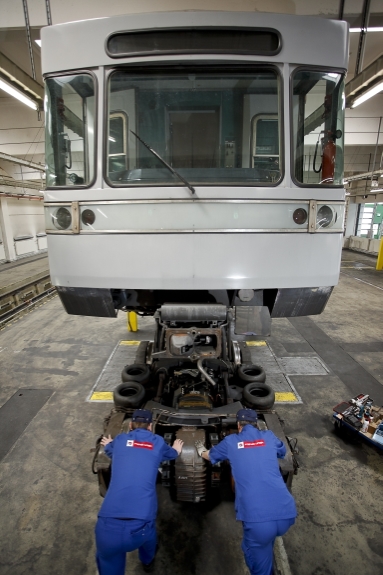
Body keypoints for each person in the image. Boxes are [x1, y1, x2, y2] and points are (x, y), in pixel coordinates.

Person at [195, 408, 296, 575]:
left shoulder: (231, 442)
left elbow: (209, 456)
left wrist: (200, 450)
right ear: (255, 424)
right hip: (286, 512)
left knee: (256, 560)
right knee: (266, 541)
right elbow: (282, 451)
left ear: (238, 425)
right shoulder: (268, 436)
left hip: (258, 520)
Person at [95, 408, 183, 575]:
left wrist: (107, 444)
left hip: (107, 527)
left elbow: (110, 450)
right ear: (150, 427)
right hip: (140, 526)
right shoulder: (157, 442)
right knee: (149, 541)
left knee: (108, 562)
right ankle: (148, 562)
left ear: (131, 426)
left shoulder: (120, 440)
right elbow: (171, 454)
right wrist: (176, 449)